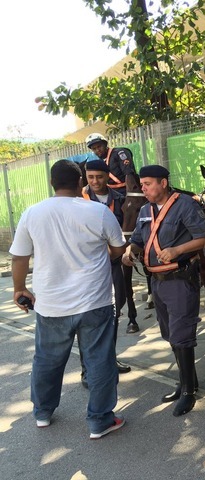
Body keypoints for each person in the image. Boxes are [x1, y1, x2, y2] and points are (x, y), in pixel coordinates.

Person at [10, 159, 127, 439]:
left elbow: (19, 257)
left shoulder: (32, 213)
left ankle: (43, 412)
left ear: (52, 184)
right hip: (95, 303)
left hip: (50, 304)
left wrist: (19, 288)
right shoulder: (98, 212)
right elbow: (119, 249)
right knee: (100, 361)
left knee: (47, 360)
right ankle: (100, 420)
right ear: (80, 183)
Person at [122, 165, 205, 416]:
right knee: (170, 333)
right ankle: (185, 381)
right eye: (142, 184)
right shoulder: (145, 210)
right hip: (157, 281)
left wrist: (178, 250)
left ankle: (189, 391)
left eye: (148, 183)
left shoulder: (185, 204)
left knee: (182, 335)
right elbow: (138, 238)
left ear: (163, 183)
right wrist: (130, 251)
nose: (143, 188)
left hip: (180, 279)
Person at [81, 160, 139, 383]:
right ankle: (87, 369)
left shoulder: (119, 199)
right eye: (91, 177)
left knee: (115, 310)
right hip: (90, 267)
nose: (95, 181)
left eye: (99, 177)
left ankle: (109, 360)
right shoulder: (80, 200)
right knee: (89, 317)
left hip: (116, 262)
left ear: (107, 176)